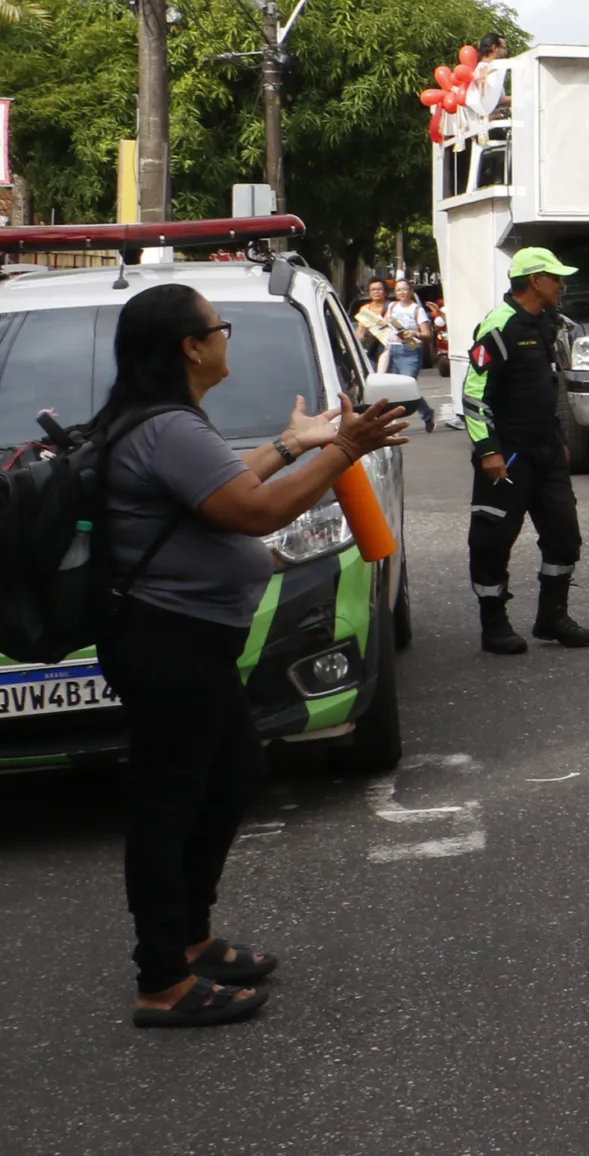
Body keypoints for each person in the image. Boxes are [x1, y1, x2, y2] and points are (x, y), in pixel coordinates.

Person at [92, 282, 409, 1027]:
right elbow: (256, 510)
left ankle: (192, 938)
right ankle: (162, 978)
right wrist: (343, 449)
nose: (224, 337)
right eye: (218, 327)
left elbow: (228, 484)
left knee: (232, 770)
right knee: (168, 802)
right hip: (166, 642)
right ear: (191, 347)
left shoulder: (164, 422)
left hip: (186, 641)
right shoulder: (166, 428)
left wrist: (293, 445)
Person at [461, 247, 589, 655]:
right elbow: (474, 393)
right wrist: (488, 450)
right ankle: (494, 624)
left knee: (564, 534)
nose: (563, 285)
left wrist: (559, 441)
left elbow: (548, 387)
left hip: (547, 452)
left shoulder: (548, 322)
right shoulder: (499, 324)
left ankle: (552, 617)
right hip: (508, 455)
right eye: (556, 278)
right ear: (535, 281)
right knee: (493, 539)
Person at [382, 279, 439, 431]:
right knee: (393, 387)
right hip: (392, 349)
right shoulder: (392, 306)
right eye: (398, 290)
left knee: (408, 387)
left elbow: (427, 335)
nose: (401, 293)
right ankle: (388, 422)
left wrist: (415, 333)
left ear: (411, 291)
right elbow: (385, 323)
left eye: (404, 289)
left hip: (410, 351)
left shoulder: (417, 310)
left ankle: (427, 415)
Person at [352, 280, 395, 374]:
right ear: (369, 293)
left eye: (379, 289)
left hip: (388, 347)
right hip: (371, 348)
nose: (376, 292)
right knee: (372, 373)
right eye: (373, 289)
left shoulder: (393, 307)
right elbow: (361, 330)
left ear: (385, 292)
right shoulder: (365, 308)